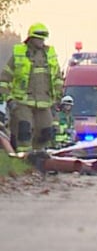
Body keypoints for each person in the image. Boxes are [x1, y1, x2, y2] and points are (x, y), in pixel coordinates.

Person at [0, 23, 64, 155]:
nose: (41, 41)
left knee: (46, 131)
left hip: (44, 102)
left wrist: (58, 96)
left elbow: (57, 77)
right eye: (38, 38)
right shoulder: (19, 54)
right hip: (22, 101)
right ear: (30, 38)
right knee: (24, 129)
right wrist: (9, 99)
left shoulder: (49, 55)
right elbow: (4, 79)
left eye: (43, 38)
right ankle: (23, 159)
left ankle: (38, 157)